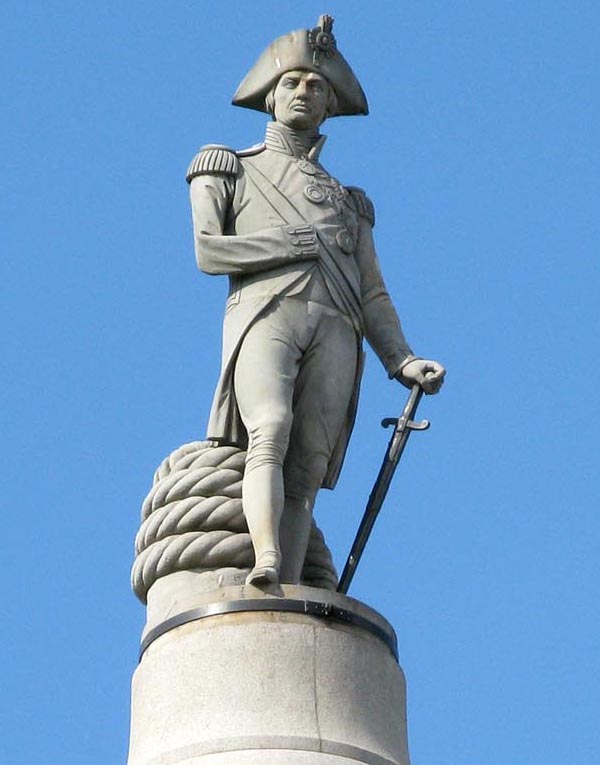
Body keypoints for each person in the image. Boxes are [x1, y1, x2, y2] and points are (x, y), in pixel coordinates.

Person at [187, 16, 445, 587]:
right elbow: (209, 251)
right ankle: (266, 559)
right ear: (270, 96)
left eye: (316, 86)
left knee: (308, 463)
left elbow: (372, 291)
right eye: (292, 82)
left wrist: (401, 359)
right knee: (270, 428)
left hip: (337, 325)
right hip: (267, 310)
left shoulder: (351, 204)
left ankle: (289, 581)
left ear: (330, 104)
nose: (303, 91)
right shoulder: (228, 166)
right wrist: (284, 244)